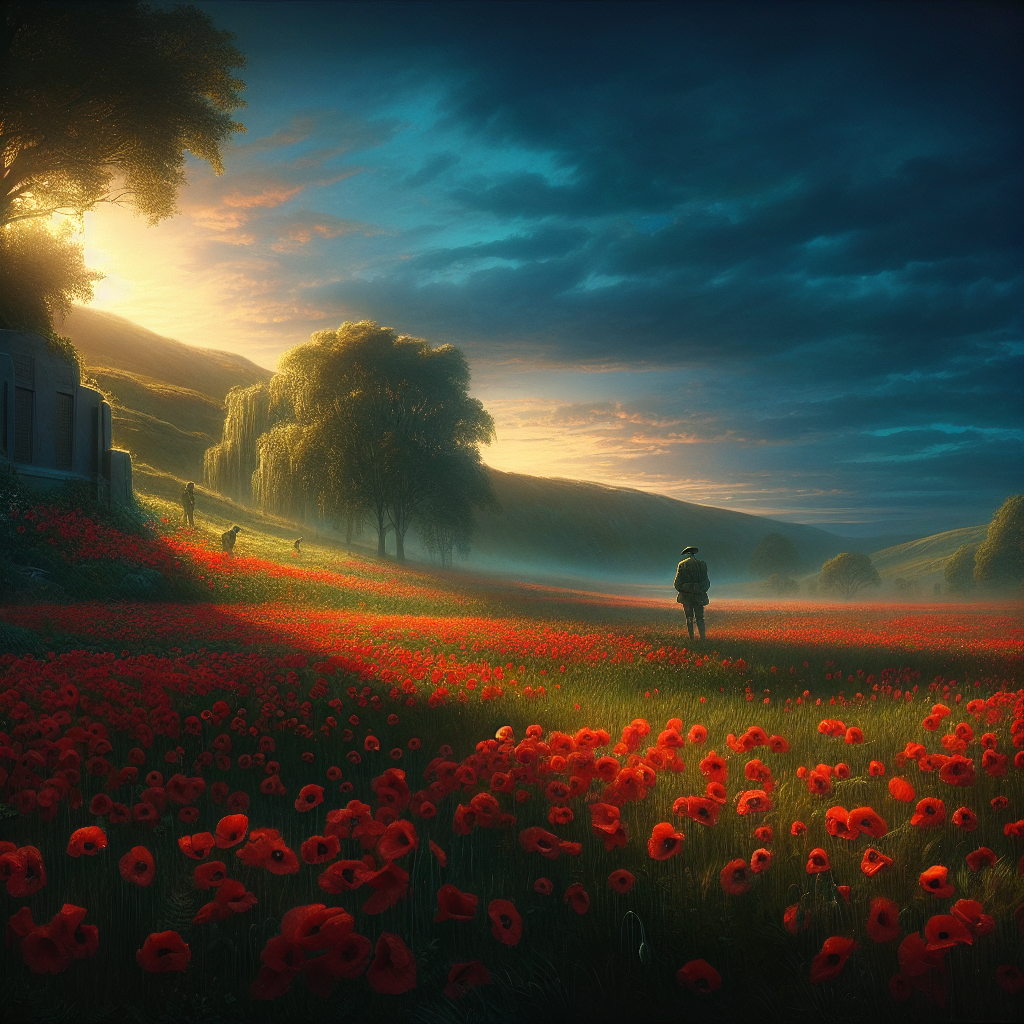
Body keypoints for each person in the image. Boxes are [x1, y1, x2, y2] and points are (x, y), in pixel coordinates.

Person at [673, 545, 710, 641]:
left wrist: (685, 588)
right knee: (700, 618)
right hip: (699, 596)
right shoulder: (702, 565)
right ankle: (703, 638)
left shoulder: (682, 565)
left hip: (686, 597)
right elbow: (706, 582)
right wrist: (699, 589)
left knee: (689, 617)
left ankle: (691, 638)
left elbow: (677, 583)